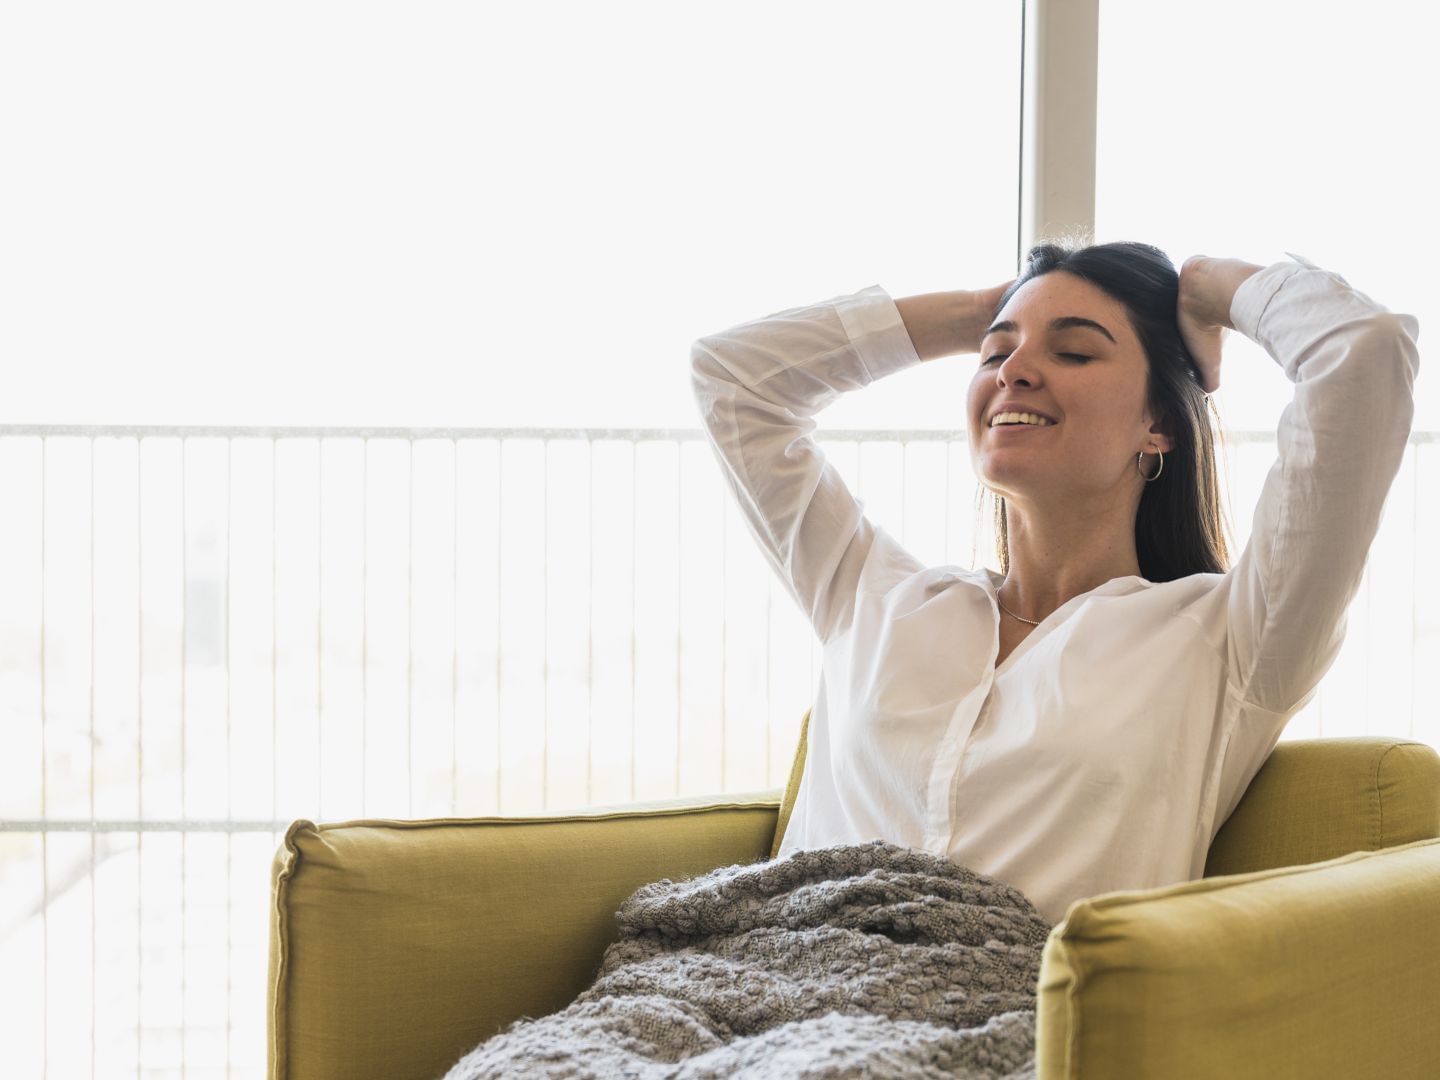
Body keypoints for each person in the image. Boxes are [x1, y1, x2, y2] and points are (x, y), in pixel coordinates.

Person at [688, 243, 1420, 926]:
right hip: (765, 981)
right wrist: (980, 309)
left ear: (1159, 424)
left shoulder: (1230, 642)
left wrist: (1209, 290)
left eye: (1072, 350)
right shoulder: (873, 596)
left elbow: (1364, 353)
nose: (1013, 370)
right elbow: (733, 377)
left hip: (997, 1031)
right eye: (995, 354)